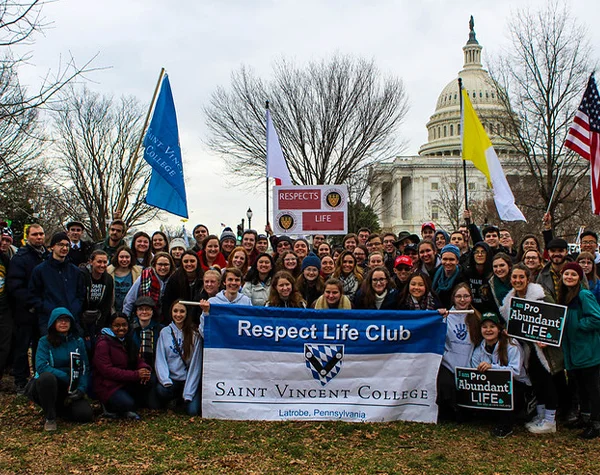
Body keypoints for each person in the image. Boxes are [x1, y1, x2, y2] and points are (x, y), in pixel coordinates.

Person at [500, 264, 562, 434]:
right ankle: (541, 416)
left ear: (528, 278)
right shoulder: (510, 301)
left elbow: (555, 318)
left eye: (521, 277)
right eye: (514, 277)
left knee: (547, 382)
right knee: (536, 381)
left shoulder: (541, 296)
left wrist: (547, 338)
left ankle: (550, 420)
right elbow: (515, 325)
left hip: (544, 349)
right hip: (528, 349)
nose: (517, 280)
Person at [26, 307, 93, 431]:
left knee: (85, 415)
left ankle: (59, 409)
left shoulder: (78, 341)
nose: (63, 323)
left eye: (66, 320)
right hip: (48, 384)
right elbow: (41, 366)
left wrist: (81, 388)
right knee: (47, 377)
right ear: (53, 323)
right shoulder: (44, 342)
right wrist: (65, 377)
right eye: (60, 320)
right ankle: (50, 417)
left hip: (70, 386)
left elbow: (85, 367)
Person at [557, 262, 600, 439]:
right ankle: (585, 417)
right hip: (573, 350)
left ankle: (597, 424)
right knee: (580, 387)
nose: (569, 277)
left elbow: (596, 318)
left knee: (593, 389)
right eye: (566, 274)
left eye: (573, 275)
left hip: (587, 349)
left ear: (579, 277)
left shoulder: (584, 294)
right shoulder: (564, 296)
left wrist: (578, 325)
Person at [471, 311, 530, 438]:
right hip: (490, 387)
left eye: (492, 326)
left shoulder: (511, 345)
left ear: (499, 328)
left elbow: (515, 371)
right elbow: (473, 370)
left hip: (516, 385)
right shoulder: (479, 349)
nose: (488, 330)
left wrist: (492, 367)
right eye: (484, 327)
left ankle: (506, 425)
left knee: (506, 388)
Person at [6, 223, 47, 393]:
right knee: (22, 347)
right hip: (25, 310)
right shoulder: (20, 257)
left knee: (40, 346)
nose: (39, 237)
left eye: (41, 234)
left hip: (42, 310)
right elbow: (15, 285)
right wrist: (31, 302)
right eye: (35, 234)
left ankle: (39, 378)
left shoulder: (46, 256)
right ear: (27, 237)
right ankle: (20, 381)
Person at [93, 312, 152, 420]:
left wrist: (144, 368)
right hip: (107, 385)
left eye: (124, 325)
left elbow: (136, 359)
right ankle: (109, 406)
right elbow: (107, 371)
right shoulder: (103, 343)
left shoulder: (127, 340)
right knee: (128, 404)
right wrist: (135, 374)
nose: (121, 328)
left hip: (125, 381)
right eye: (117, 325)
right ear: (110, 326)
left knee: (150, 380)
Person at [436, 283, 481, 422]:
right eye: (459, 296)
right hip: (448, 363)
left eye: (466, 296)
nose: (462, 300)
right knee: (446, 386)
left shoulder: (477, 318)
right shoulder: (446, 317)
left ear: (471, 298)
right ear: (453, 298)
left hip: (469, 363)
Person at [29, 232, 86, 334]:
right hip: (48, 320)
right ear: (52, 247)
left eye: (67, 245)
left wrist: (75, 308)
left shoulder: (75, 271)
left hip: (71, 318)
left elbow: (81, 294)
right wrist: (45, 308)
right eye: (60, 245)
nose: (64, 248)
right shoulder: (40, 270)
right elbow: (34, 294)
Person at [154, 301, 202, 415]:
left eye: (182, 311)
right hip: (172, 380)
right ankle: (174, 400)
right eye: (175, 311)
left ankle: (184, 399)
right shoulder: (165, 332)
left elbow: (196, 364)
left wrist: (189, 391)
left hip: (188, 379)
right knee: (161, 390)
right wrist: (165, 380)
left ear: (186, 313)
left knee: (193, 411)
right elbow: (160, 359)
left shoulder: (195, 334)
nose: (178, 314)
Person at [122, 252, 175, 320]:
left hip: (167, 318)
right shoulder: (144, 278)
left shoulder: (173, 279)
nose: (163, 267)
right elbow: (129, 300)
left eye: (166, 264)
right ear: (154, 265)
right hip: (145, 318)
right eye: (160, 264)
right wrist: (125, 319)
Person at [162, 251, 204, 324]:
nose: (189, 264)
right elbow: (167, 303)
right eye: (185, 261)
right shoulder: (174, 279)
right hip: (178, 319)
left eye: (192, 261)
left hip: (199, 319)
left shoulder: (203, 278)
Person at [81, 250, 114, 341]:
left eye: (105, 262)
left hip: (97, 318)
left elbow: (107, 304)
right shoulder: (82, 276)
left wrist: (99, 327)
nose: (102, 265)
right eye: (99, 262)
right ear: (91, 262)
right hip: (82, 317)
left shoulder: (108, 279)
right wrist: (84, 330)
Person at [464, 242, 498, 315]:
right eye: (476, 252)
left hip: (491, 313)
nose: (479, 255)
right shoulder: (466, 273)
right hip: (471, 312)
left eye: (483, 252)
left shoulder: (494, 273)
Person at [107, 246, 142, 313]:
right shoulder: (108, 271)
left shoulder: (138, 272)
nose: (124, 260)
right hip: (112, 310)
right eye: (121, 257)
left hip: (132, 311)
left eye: (127, 257)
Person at [432, 244, 465, 309]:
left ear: (457, 261)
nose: (447, 262)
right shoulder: (434, 273)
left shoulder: (463, 277)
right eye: (445, 259)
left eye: (451, 259)